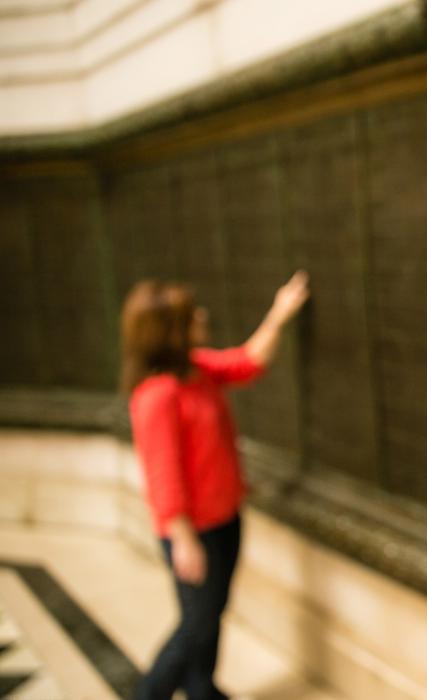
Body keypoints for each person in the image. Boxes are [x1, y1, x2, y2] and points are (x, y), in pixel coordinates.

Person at [120, 271, 309, 700]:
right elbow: (162, 475)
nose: (202, 316)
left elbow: (248, 361)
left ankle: (201, 688)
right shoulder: (157, 396)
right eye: (191, 315)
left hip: (226, 517)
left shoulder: (198, 370)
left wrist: (279, 315)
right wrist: (183, 538)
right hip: (194, 531)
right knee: (196, 624)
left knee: (211, 614)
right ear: (170, 331)